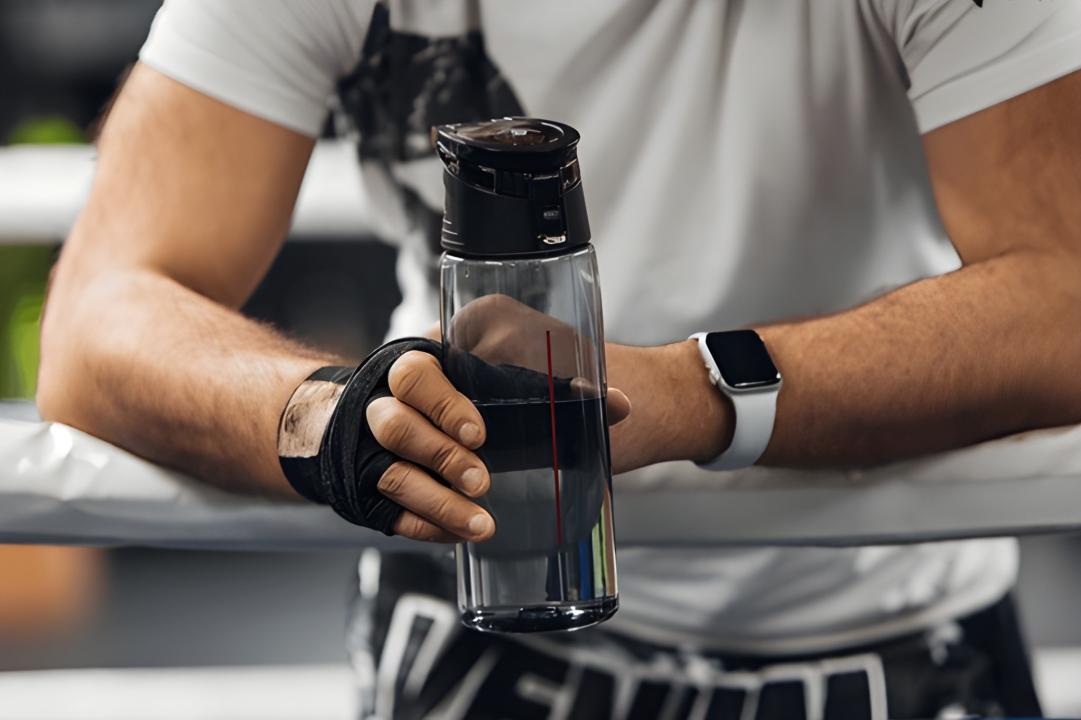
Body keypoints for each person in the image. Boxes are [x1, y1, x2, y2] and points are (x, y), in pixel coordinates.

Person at [37, 0, 1081, 717]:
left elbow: (1065, 298)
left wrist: (692, 391)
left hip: (888, 627)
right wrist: (339, 417)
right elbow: (98, 319)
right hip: (482, 610)